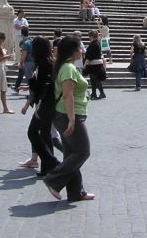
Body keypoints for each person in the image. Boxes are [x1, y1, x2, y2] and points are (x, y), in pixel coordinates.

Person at [43, 35, 95, 202]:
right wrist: (72, 120)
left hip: (63, 115)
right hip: (68, 115)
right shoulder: (68, 69)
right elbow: (67, 95)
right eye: (80, 47)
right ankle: (53, 179)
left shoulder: (66, 66)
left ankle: (75, 192)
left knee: (71, 153)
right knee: (83, 151)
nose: (82, 50)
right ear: (73, 51)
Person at [19, 36, 59, 177]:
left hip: (45, 104)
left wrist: (30, 80)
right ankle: (47, 167)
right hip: (50, 103)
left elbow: (43, 87)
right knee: (45, 133)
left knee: (33, 132)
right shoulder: (49, 62)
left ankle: (51, 161)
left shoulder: (43, 64)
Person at [83, 30, 107, 100]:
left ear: (91, 36)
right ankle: (94, 93)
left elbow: (89, 55)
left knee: (95, 79)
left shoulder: (92, 44)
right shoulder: (98, 43)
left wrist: (85, 64)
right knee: (93, 79)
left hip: (94, 64)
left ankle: (102, 93)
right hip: (98, 63)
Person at [13, 26, 33, 93]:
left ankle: (32, 94)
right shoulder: (31, 40)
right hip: (33, 61)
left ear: (22, 34)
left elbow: (24, 54)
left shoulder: (25, 43)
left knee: (29, 79)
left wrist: (21, 63)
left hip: (27, 62)